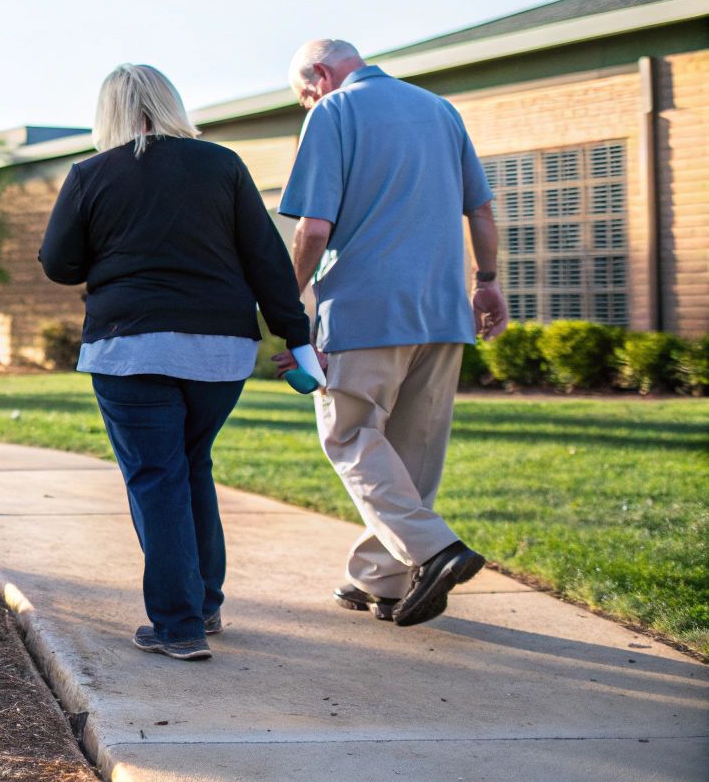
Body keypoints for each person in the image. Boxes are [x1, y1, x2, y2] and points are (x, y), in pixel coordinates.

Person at [40, 64, 312, 661]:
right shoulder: (222, 165)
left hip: (130, 347)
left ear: (107, 112)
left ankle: (177, 625)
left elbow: (58, 264)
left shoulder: (91, 174)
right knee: (190, 466)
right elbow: (266, 258)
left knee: (155, 477)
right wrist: (296, 337)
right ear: (170, 103)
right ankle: (204, 604)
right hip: (220, 351)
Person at [275, 39, 508, 628]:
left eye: (303, 95)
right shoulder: (440, 110)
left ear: (320, 75)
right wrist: (487, 282)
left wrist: (285, 298)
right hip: (444, 312)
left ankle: (436, 551)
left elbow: (313, 229)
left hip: (365, 310)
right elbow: (481, 211)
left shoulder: (333, 111)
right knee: (412, 451)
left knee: (350, 434)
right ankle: (381, 579)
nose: (307, 104)